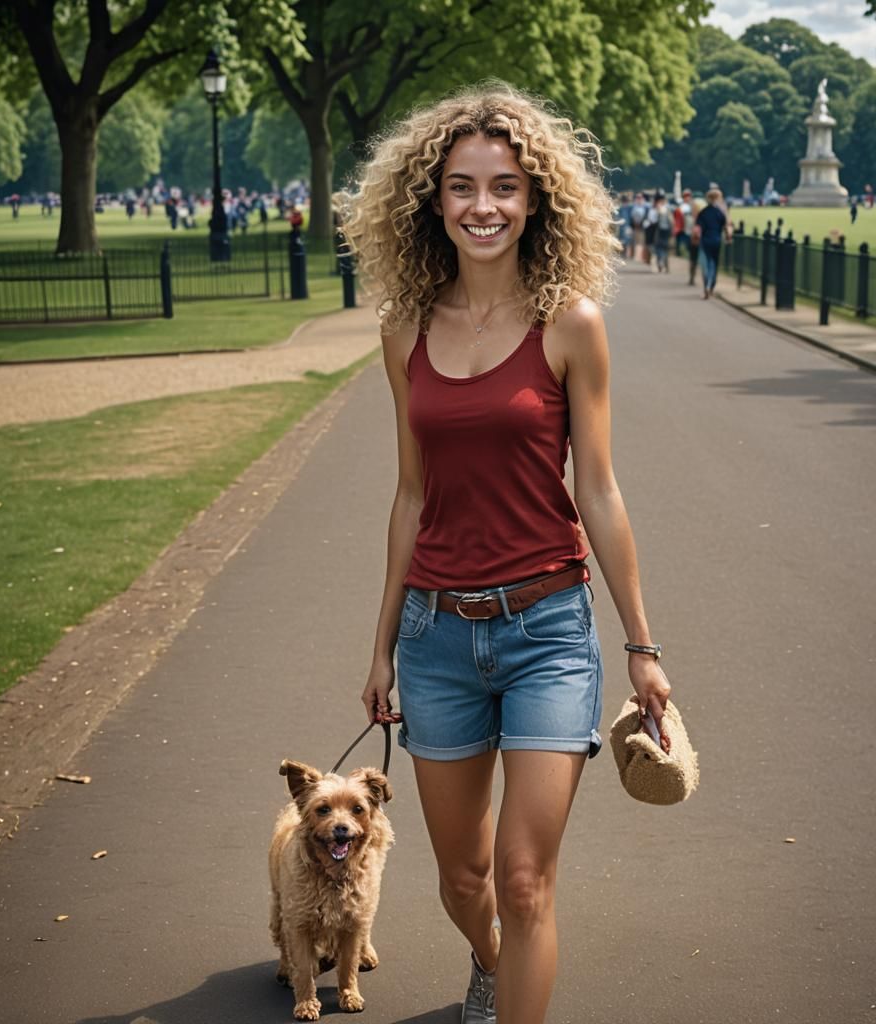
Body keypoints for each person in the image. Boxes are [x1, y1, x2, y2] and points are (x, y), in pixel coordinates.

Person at [342, 83, 673, 1024]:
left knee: (526, 880)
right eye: (461, 187)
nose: (482, 206)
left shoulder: (571, 324)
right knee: (464, 879)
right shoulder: (400, 330)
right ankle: (486, 962)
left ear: (535, 202)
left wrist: (643, 646)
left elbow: (599, 492)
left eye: (504, 187)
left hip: (548, 632)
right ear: (431, 201)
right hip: (436, 639)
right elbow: (410, 495)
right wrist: (380, 648)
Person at [695, 187, 730, 299]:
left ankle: (707, 284)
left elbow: (697, 229)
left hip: (705, 241)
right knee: (713, 264)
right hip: (716, 240)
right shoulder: (720, 213)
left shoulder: (703, 213)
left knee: (705, 263)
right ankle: (711, 284)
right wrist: (728, 238)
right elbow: (726, 228)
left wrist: (696, 238)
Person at [653, 194, 673, 272]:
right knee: (665, 249)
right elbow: (671, 222)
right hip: (666, 231)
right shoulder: (668, 210)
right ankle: (666, 266)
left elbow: (653, 221)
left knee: (659, 248)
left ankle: (661, 263)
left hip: (659, 231)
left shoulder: (657, 209)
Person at [629, 191, 648, 262]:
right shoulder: (634, 207)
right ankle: (637, 256)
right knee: (636, 242)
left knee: (641, 242)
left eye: (640, 198)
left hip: (643, 227)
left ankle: (639, 257)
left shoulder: (646, 206)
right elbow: (631, 217)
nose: (639, 199)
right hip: (635, 227)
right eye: (638, 198)